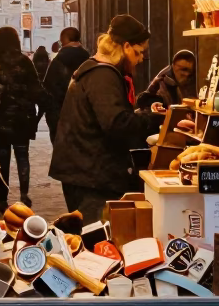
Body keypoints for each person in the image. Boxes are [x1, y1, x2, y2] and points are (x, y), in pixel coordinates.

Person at [49, 14, 160, 225]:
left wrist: (141, 115)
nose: (140, 59)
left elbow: (108, 117)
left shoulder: (98, 70)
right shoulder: (103, 76)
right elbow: (117, 124)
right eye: (139, 53)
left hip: (87, 173)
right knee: (99, 240)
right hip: (91, 179)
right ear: (126, 46)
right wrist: (154, 120)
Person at [0, 26, 44, 212]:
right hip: (22, 119)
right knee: (23, 157)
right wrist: (34, 114)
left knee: (2, 159)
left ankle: (2, 199)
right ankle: (24, 194)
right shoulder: (24, 62)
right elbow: (36, 89)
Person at [42, 26, 90, 143]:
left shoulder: (58, 60)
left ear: (64, 40)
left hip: (60, 112)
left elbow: (49, 86)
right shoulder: (89, 59)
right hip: (84, 113)